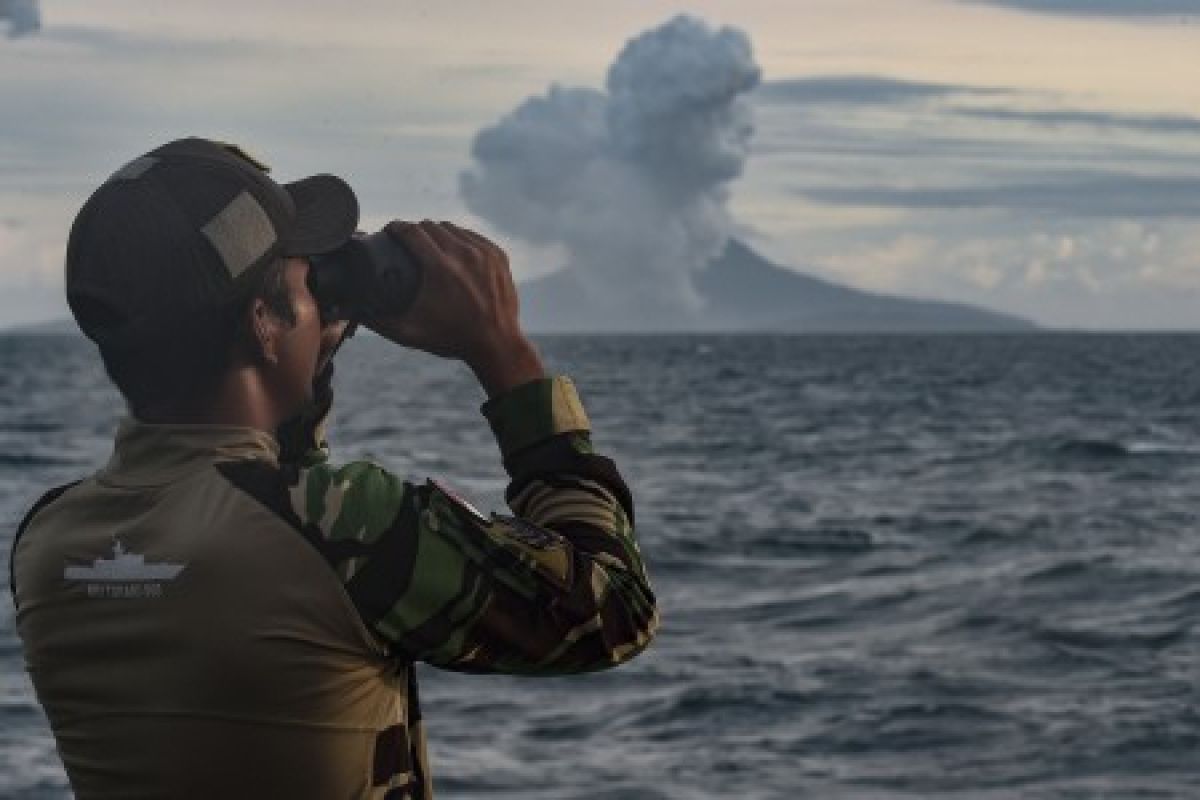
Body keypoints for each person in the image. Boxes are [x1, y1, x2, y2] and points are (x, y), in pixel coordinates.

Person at [9, 138, 659, 799]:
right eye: (307, 276)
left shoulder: (47, 541)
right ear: (264, 322)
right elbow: (610, 608)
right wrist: (504, 355)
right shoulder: (348, 527)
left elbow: (263, 509)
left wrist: (301, 355)